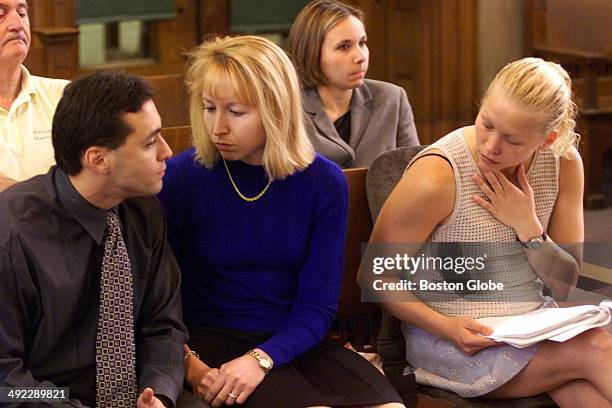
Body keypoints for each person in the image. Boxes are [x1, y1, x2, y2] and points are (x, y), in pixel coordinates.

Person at [158, 35, 404, 408]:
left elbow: (317, 306)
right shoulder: (180, 179)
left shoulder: (322, 182)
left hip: (296, 343)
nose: (218, 127)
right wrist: (191, 366)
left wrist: (263, 357)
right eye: (209, 108)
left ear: (276, 110)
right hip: (211, 342)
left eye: (235, 112)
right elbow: (156, 304)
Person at [364, 57, 612, 407]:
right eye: (487, 123)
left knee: (588, 391)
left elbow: (568, 284)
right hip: (451, 338)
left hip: (532, 327)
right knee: (598, 346)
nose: (491, 146)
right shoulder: (437, 176)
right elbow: (374, 276)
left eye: (512, 139)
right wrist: (445, 327)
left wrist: (529, 227)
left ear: (547, 139)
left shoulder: (564, 162)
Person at [0, 71, 187, 407]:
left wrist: (159, 394)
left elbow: (164, 329)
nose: (167, 152)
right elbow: (6, 382)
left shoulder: (144, 211)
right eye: (150, 142)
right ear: (98, 159)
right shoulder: (13, 234)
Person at [287, 0, 419, 169]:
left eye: (362, 43)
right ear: (312, 52)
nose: (360, 56)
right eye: (344, 47)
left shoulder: (392, 97)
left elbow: (415, 170)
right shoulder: (289, 108)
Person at [0, 0, 69, 192]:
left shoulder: (67, 97)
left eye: (22, 14)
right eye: (0, 14)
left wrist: (16, 194)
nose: (17, 24)